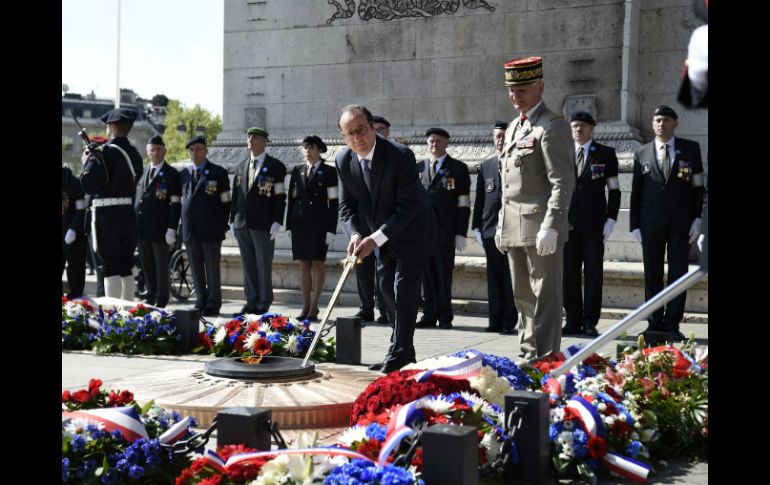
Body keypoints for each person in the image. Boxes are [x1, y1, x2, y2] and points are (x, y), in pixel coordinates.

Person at [335, 105, 437, 373]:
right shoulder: (344, 160)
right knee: (384, 289)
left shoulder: (399, 155)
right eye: (350, 134)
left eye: (361, 130)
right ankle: (401, 349)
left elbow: (408, 207)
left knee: (403, 290)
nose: (357, 138)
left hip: (411, 230)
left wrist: (374, 239)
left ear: (372, 127)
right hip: (377, 234)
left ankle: (400, 354)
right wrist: (356, 234)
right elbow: (346, 208)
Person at [495, 56, 575, 363]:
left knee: (547, 297)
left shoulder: (551, 126)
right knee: (523, 297)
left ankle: (547, 358)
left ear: (540, 87)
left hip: (541, 228)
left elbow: (562, 180)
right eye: (512, 90)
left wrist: (552, 224)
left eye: (523, 89)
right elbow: (508, 183)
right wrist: (502, 224)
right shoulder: (515, 126)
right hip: (515, 227)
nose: (516, 96)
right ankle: (528, 354)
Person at [629, 105, 705, 342]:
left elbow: (698, 186)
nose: (661, 124)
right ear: (653, 124)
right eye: (657, 120)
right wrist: (635, 225)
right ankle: (654, 322)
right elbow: (636, 192)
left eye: (666, 120)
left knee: (678, 273)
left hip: (681, 223)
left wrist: (697, 218)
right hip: (651, 223)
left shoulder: (690, 150)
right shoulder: (641, 152)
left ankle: (672, 322)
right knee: (652, 273)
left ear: (675, 124)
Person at [562, 111, 621, 337]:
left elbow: (614, 190)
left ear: (592, 128)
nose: (579, 129)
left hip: (595, 226)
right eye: (575, 126)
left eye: (583, 126)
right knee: (569, 275)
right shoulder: (563, 153)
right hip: (568, 225)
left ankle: (590, 321)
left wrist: (611, 219)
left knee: (594, 273)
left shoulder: (605, 154)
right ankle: (573, 319)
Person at [79, 107, 144, 300]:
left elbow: (88, 185)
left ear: (113, 127)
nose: (106, 128)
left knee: (110, 267)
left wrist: (86, 163)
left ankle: (114, 317)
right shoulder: (134, 154)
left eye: (108, 125)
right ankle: (129, 315)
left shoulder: (104, 152)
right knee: (126, 265)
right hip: (127, 213)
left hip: (106, 216)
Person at [416, 127, 471, 329]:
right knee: (426, 276)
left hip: (446, 232)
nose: (434, 144)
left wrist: (461, 232)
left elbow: (464, 202)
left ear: (446, 143)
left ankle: (445, 316)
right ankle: (429, 314)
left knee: (443, 274)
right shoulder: (418, 168)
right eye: (431, 141)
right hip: (423, 232)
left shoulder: (458, 168)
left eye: (438, 141)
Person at [230, 127, 287, 315]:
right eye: (248, 138)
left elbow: (280, 196)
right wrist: (232, 219)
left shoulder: (276, 167)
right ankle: (251, 300)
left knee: (263, 263)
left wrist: (277, 221)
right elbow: (236, 195)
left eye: (255, 138)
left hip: (264, 223)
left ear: (264, 142)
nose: (250, 141)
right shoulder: (240, 166)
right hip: (242, 223)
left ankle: (264, 300)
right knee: (248, 264)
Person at [472, 121, 518, 335]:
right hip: (490, 229)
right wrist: (476, 227)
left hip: (512, 230)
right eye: (497, 136)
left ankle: (509, 320)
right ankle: (494, 319)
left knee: (510, 277)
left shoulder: (517, 161)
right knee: (493, 277)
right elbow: (480, 198)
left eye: (503, 136)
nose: (500, 140)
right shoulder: (486, 165)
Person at [286, 135, 339, 321]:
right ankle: (305, 305)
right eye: (305, 147)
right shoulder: (297, 170)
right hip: (300, 224)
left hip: (319, 225)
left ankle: (315, 306)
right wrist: (288, 225)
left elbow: (333, 202)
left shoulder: (329, 172)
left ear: (319, 150)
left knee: (317, 263)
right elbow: (291, 200)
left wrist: (331, 229)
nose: (307, 150)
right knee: (303, 264)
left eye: (311, 147)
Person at [180, 135, 231, 317]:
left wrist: (222, 225)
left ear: (206, 151)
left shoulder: (218, 172)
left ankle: (213, 303)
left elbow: (226, 202)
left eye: (198, 149)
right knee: (195, 267)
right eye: (191, 150)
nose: (195, 153)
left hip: (211, 229)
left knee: (211, 268)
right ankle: (200, 300)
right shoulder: (184, 174)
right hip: (190, 229)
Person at [353, 115, 392, 325]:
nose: (377, 133)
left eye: (381, 129)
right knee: (364, 269)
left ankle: (386, 310)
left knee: (385, 271)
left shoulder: (394, 157)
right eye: (374, 129)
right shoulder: (354, 158)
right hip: (363, 225)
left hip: (387, 227)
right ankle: (366, 307)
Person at [134, 135, 182, 308]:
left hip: (161, 229)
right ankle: (151, 294)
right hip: (143, 229)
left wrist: (172, 228)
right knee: (146, 265)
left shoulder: (171, 174)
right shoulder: (144, 171)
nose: (155, 152)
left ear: (165, 151)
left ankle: (161, 298)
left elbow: (175, 203)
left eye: (159, 149)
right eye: (152, 149)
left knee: (161, 266)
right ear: (147, 152)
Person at [62, 164, 87, 298]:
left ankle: (76, 298)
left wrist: (73, 228)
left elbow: (81, 209)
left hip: (71, 233)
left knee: (75, 268)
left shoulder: (74, 183)